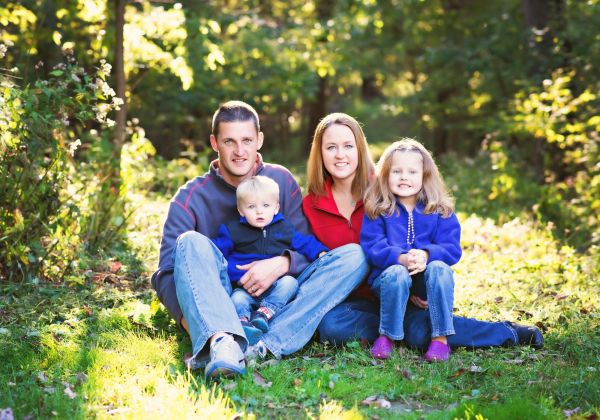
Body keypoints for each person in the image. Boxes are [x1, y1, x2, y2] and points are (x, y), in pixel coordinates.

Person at [151, 101, 367, 380]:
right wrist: (201, 324)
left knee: (354, 255)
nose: (240, 151)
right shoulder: (190, 197)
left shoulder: (280, 180)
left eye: (247, 141)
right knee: (190, 242)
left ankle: (268, 344)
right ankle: (224, 342)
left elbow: (305, 243)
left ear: (259, 140)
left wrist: (281, 263)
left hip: (282, 297)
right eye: (229, 141)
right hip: (227, 302)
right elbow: (167, 274)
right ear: (215, 143)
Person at [302, 112, 544, 354]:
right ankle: (402, 331)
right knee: (332, 326)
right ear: (319, 153)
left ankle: (504, 333)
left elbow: (428, 227)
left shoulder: (385, 188)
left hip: (401, 288)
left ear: (360, 149)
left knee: (420, 329)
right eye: (331, 147)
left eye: (348, 146)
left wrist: (419, 279)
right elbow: (310, 260)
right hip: (356, 301)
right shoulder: (311, 205)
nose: (340, 155)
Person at [361, 139, 461, 362]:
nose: (404, 177)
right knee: (396, 273)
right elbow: (373, 247)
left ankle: (440, 339)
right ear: (385, 176)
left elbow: (451, 248)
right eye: (397, 171)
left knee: (440, 269)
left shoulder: (440, 211)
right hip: (390, 282)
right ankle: (388, 336)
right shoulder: (378, 210)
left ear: (425, 176)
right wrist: (401, 258)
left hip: (425, 282)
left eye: (412, 171)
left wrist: (426, 255)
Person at [211, 175, 328, 344]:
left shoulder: (284, 228)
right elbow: (217, 256)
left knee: (290, 283)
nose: (259, 211)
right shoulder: (232, 230)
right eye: (251, 206)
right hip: (246, 288)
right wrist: (237, 272)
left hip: (275, 287)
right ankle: (243, 324)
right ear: (241, 210)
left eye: (266, 205)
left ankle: (264, 314)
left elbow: (305, 243)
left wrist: (320, 252)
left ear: (276, 208)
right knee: (237, 299)